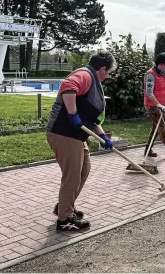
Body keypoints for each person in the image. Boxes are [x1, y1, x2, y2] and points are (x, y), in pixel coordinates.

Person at [45, 51, 117, 231]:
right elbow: (68, 86)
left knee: (84, 169)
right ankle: (64, 219)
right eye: (108, 72)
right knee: (72, 176)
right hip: (64, 133)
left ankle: (64, 206)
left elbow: (89, 119)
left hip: (75, 135)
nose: (108, 76)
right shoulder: (85, 75)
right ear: (102, 69)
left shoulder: (93, 81)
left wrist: (103, 137)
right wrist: (72, 114)